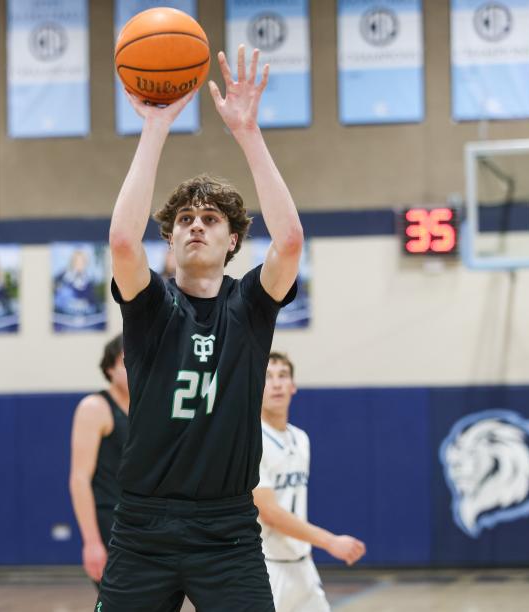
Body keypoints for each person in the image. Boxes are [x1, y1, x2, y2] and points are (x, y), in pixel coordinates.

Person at [98, 45, 303, 611]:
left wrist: (249, 132)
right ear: (168, 237)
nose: (195, 226)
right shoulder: (151, 306)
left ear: (233, 239)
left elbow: (289, 243)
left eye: (210, 219)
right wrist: (156, 126)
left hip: (228, 530)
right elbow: (120, 242)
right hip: (143, 528)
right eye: (184, 219)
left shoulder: (252, 305)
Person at [253, 353, 366, 612]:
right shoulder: (252, 441)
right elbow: (270, 512)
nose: (277, 384)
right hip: (267, 566)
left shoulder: (301, 439)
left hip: (302, 564)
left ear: (293, 386)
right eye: (268, 377)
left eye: (283, 376)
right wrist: (330, 542)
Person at [68, 335, 130, 585]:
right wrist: (91, 542)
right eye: (128, 362)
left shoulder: (151, 407)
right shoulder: (95, 408)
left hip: (146, 522)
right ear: (110, 368)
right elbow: (79, 479)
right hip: (110, 524)